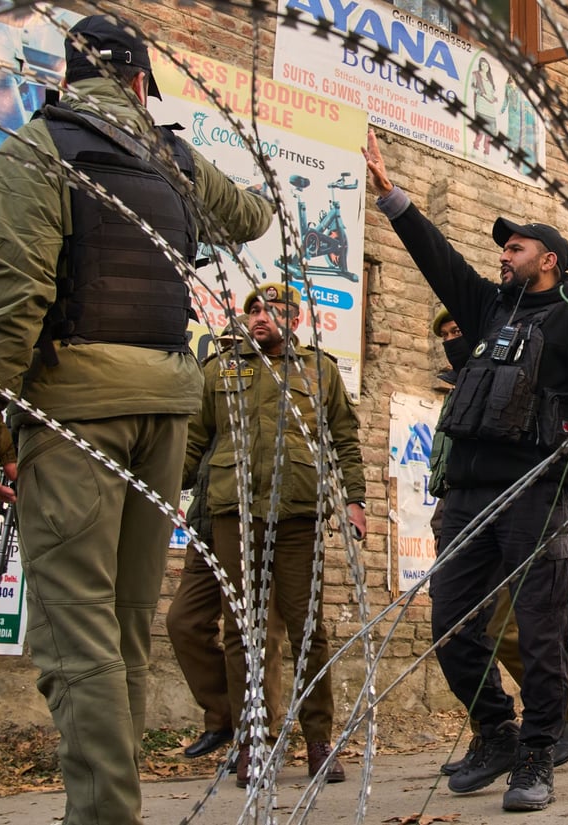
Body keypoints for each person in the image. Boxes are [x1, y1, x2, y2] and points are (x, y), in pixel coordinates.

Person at [0, 15, 273, 825]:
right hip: (166, 407)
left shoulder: (41, 145)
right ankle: (112, 805)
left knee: (77, 633)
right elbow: (253, 218)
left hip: (76, 411)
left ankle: (101, 814)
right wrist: (185, 163)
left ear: (69, 79)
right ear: (140, 83)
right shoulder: (169, 156)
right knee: (128, 626)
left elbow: (11, 291)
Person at [364, 130, 568, 813]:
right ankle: (497, 732)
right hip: (468, 491)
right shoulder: (489, 308)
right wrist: (393, 198)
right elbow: (439, 261)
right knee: (451, 621)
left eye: (515, 247)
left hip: (533, 490)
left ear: (549, 260)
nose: (503, 255)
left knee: (540, 629)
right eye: (502, 248)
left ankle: (540, 748)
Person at [181, 283, 366, 788]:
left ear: (297, 317)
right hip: (233, 511)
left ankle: (318, 739)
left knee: (310, 631)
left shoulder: (319, 370)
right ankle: (252, 742)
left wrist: (354, 499)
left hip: (299, 510)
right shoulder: (219, 368)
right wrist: (166, 490)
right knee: (242, 629)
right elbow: (195, 438)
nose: (262, 316)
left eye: (274, 309)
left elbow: (344, 438)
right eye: (254, 310)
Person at [427, 308, 568, 776]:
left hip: (517, 506)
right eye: (447, 333)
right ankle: (492, 733)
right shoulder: (460, 386)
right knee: (462, 628)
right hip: (458, 506)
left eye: (460, 330)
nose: (453, 338)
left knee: (517, 631)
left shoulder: (511, 372)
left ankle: (558, 730)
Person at [167, 419, 287, 765]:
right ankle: (225, 717)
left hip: (258, 527)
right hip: (206, 525)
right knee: (183, 622)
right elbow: (188, 455)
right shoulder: (213, 382)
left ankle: (261, 734)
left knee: (258, 633)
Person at [470, 57, 497, 156]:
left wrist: (493, 98)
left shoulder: (490, 78)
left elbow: (491, 92)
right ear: (480, 66)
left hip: (490, 107)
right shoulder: (476, 74)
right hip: (481, 105)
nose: (484, 67)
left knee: (489, 132)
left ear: (489, 67)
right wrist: (482, 94)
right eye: (482, 65)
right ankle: (475, 147)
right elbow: (472, 86)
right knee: (481, 129)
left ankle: (486, 152)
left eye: (486, 65)